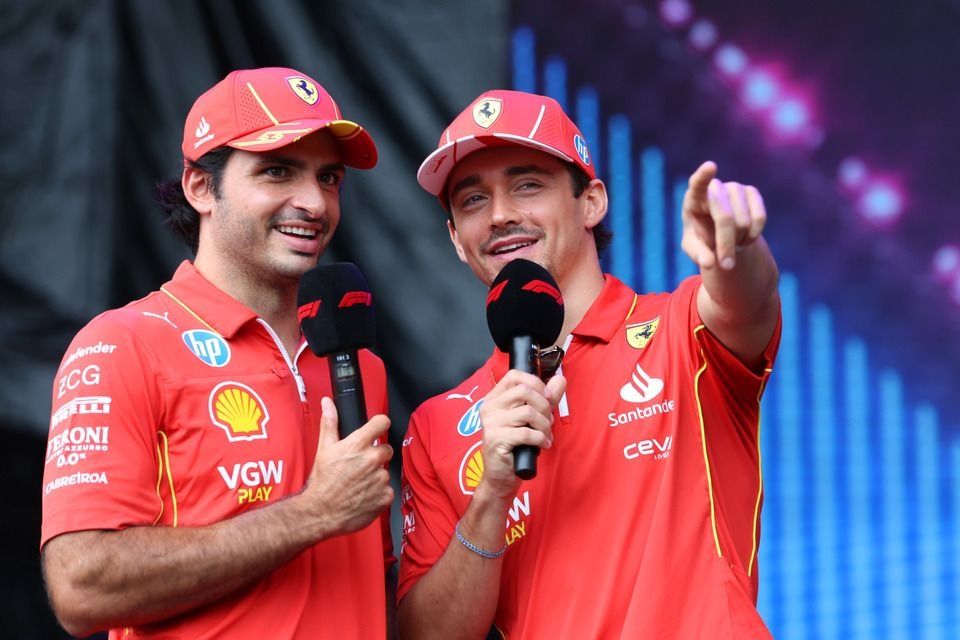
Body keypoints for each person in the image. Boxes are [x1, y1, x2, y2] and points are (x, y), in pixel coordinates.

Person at [397, 90, 781, 638]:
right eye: (473, 200)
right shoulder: (438, 425)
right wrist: (492, 497)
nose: (501, 214)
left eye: (527, 184)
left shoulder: (679, 328)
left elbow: (747, 300)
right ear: (457, 239)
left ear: (591, 201)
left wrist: (735, 252)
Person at [40, 67, 395, 639]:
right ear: (201, 187)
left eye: (328, 178)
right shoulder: (122, 343)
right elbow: (81, 586)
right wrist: (311, 515)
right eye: (277, 171)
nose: (313, 202)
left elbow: (374, 586)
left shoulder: (356, 361)